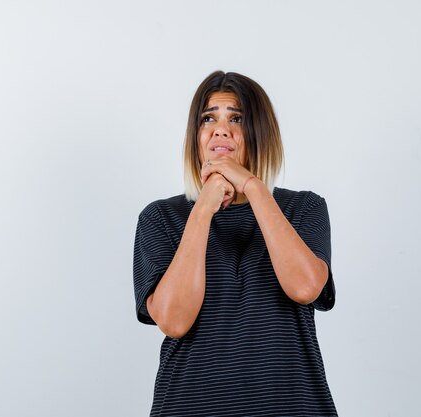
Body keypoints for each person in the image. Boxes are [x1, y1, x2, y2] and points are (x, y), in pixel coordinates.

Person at [132, 70, 338, 417]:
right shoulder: (161, 218)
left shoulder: (304, 208)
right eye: (208, 118)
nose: (220, 129)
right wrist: (202, 209)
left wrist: (254, 188)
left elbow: (305, 287)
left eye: (237, 118)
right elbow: (173, 320)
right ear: (196, 136)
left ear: (259, 133)